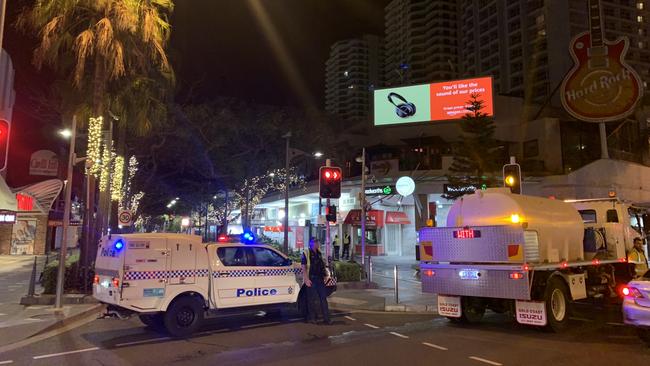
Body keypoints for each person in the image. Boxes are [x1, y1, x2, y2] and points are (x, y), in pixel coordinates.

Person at [301, 238, 332, 325]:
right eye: (316, 242)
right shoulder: (306, 252)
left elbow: (322, 265)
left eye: (318, 242)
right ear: (311, 243)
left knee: (323, 299)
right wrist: (306, 279)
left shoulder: (319, 253)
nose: (318, 244)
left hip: (320, 279)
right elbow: (303, 266)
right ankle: (312, 318)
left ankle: (327, 319)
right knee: (311, 300)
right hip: (311, 279)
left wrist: (326, 274)